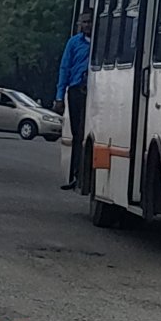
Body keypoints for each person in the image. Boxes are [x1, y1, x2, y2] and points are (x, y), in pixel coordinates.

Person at [54, 10, 93, 190]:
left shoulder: (102, 43)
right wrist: (59, 97)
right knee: (78, 133)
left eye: (90, 22)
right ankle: (77, 174)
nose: (87, 25)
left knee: (90, 134)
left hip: (96, 92)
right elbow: (65, 68)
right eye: (84, 22)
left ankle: (86, 174)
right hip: (77, 91)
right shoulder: (74, 43)